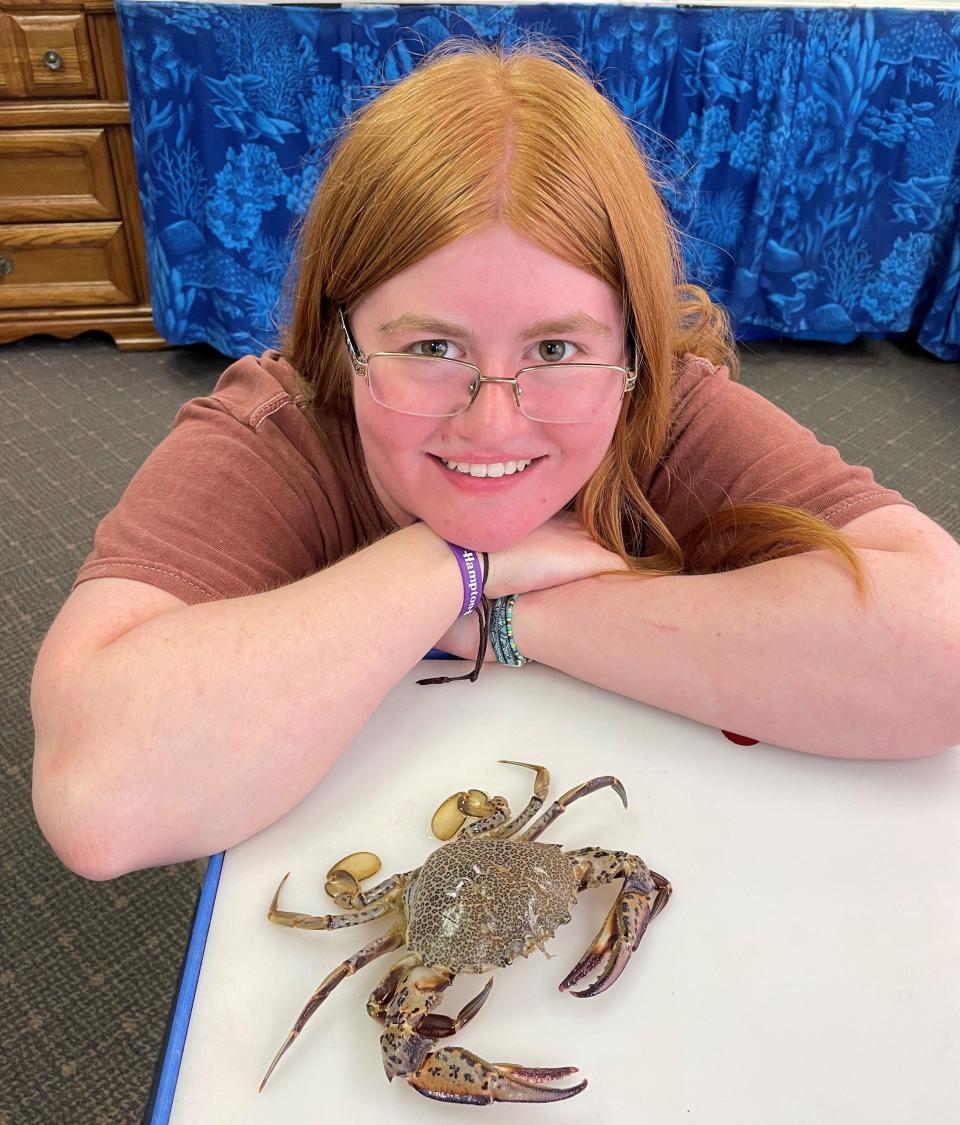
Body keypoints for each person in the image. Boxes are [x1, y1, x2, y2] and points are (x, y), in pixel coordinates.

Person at [31, 38, 960, 881]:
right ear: (337, 329)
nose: (493, 424)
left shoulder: (661, 407)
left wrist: (504, 622)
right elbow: (98, 800)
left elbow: (940, 650)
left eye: (556, 351)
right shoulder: (282, 432)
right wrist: (455, 565)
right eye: (433, 348)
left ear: (633, 348)